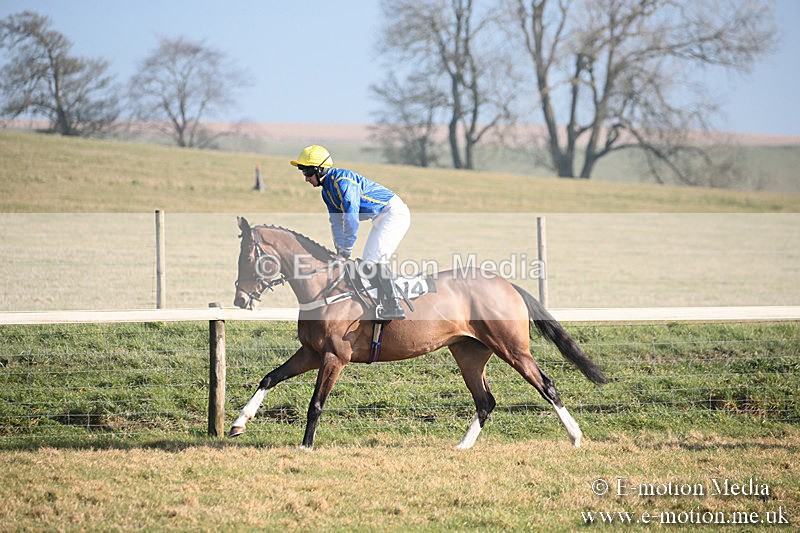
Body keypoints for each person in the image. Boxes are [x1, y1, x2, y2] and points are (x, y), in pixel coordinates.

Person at [291, 145, 411, 320]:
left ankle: (395, 306)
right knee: (368, 265)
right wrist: (340, 250)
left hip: (393, 213)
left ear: (320, 169)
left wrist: (346, 250)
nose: (306, 179)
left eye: (308, 173)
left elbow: (351, 219)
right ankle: (378, 304)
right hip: (380, 217)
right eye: (304, 174)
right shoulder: (327, 192)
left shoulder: (343, 183)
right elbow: (336, 222)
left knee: (374, 261)